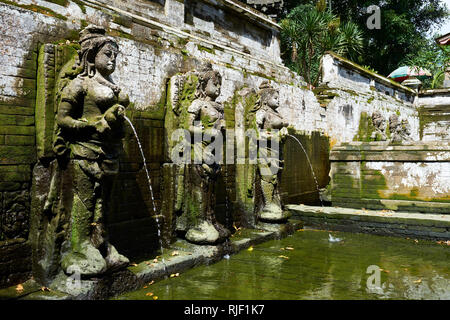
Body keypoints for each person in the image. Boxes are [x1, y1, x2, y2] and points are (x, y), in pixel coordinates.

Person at [53, 25, 130, 276]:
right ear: (91, 55)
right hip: (85, 152)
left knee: (104, 204)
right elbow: (62, 119)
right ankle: (78, 247)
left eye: (115, 55)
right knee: (84, 203)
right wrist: (92, 126)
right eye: (108, 54)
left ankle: (102, 242)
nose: (112, 59)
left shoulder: (114, 86)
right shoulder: (80, 84)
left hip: (110, 153)